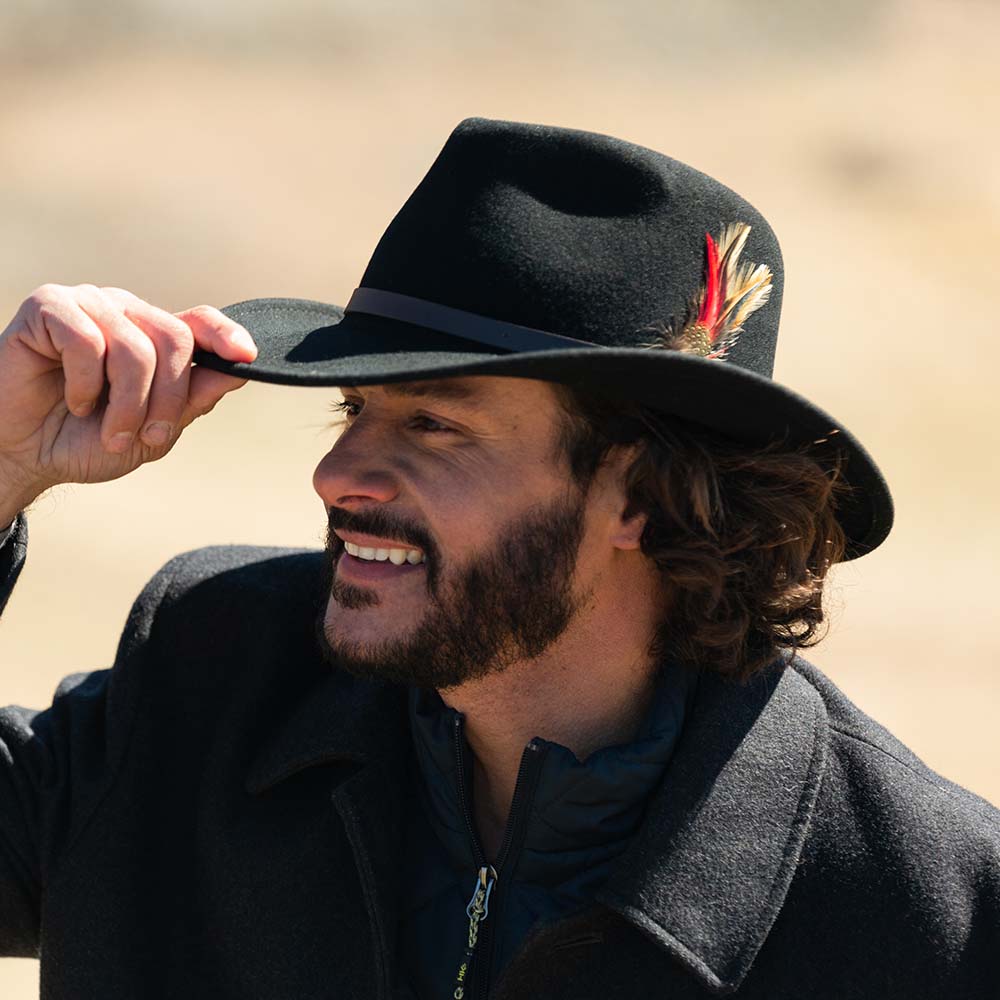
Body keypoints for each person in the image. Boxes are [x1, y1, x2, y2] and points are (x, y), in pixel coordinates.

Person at [0, 118, 997, 1000]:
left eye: (433, 424)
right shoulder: (210, 677)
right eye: (354, 410)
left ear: (642, 494)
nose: (339, 476)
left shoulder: (931, 912)